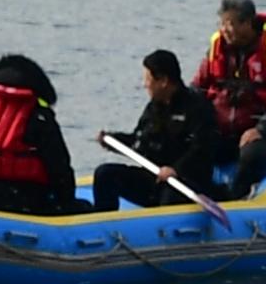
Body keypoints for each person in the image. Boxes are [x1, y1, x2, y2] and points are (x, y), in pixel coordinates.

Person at [89, 51, 225, 211]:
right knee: (104, 174)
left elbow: (202, 150)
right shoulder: (154, 107)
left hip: (184, 182)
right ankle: (104, 222)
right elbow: (139, 141)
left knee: (169, 194)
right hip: (154, 178)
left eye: (148, 79)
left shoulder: (198, 107)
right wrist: (112, 140)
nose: (144, 84)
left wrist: (176, 170)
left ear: (163, 81)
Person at [194, 0, 266, 199]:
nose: (225, 30)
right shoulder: (216, 52)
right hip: (221, 129)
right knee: (193, 149)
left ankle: (236, 198)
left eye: (231, 24)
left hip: (257, 131)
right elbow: (198, 87)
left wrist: (261, 129)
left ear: (248, 23)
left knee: (252, 154)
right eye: (222, 23)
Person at [0, 53, 78, 216]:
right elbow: (60, 168)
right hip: (30, 208)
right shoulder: (40, 118)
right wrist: (67, 202)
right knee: (84, 206)